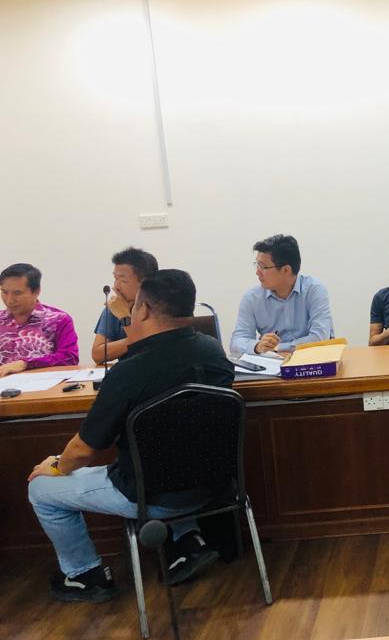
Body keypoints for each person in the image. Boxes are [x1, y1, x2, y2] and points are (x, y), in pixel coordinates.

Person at [27, 269, 235, 601]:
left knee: (41, 489)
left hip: (151, 495)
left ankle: (84, 575)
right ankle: (187, 540)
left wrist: (55, 466)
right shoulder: (212, 351)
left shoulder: (130, 371)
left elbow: (83, 450)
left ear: (144, 310)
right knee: (176, 450)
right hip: (216, 484)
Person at [230, 234, 334, 356]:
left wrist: (277, 348)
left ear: (286, 270)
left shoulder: (314, 290)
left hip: (312, 361)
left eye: (263, 267)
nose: (257, 272)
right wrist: (257, 346)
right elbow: (236, 342)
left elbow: (319, 338)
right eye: (257, 265)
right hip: (272, 364)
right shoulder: (252, 298)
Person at [0, 263, 78, 377]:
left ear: (36, 291)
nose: (9, 300)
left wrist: (26, 364)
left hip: (43, 384)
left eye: (17, 293)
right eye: (4, 292)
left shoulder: (58, 320)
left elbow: (69, 358)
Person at [91, 247, 159, 364]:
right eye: (115, 279)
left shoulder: (162, 308)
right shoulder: (114, 308)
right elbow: (98, 354)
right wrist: (137, 338)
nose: (116, 287)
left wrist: (124, 317)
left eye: (123, 281)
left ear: (145, 283)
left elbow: (152, 352)